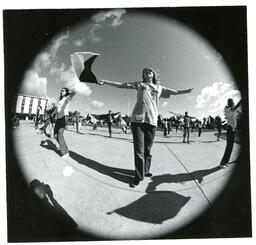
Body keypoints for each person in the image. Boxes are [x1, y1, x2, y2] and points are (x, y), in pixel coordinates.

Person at [97, 67, 193, 187]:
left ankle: (145, 170)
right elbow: (122, 85)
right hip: (138, 120)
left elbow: (174, 92)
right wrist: (106, 81)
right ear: (143, 75)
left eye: (149, 71)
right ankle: (138, 176)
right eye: (145, 72)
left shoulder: (160, 88)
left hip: (152, 121)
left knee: (147, 150)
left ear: (153, 74)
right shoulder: (139, 84)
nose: (147, 73)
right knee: (139, 150)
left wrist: (186, 91)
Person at [54, 87, 76, 159]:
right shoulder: (60, 100)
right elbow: (57, 108)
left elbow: (74, 92)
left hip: (64, 116)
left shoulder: (68, 98)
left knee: (60, 133)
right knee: (55, 135)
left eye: (63, 91)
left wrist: (69, 91)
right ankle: (64, 148)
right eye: (61, 91)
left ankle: (65, 153)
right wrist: (53, 114)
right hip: (58, 117)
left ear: (66, 92)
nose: (61, 92)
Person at [219, 98, 241, 168]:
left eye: (232, 101)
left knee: (230, 146)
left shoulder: (232, 110)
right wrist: (242, 100)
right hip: (230, 129)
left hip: (233, 129)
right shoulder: (229, 109)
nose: (233, 102)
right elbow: (236, 107)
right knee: (229, 146)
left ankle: (225, 162)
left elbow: (237, 112)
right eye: (231, 102)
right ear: (229, 103)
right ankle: (222, 163)